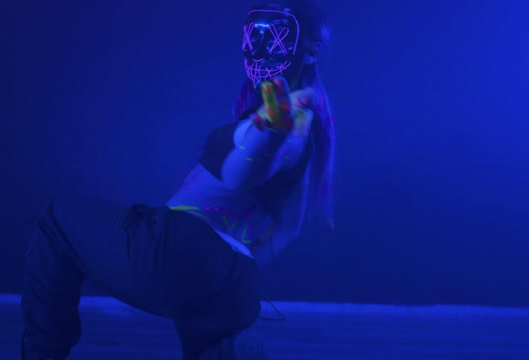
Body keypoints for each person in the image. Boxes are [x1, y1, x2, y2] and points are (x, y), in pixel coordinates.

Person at [20, 0, 335, 359]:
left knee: (54, 217)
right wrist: (233, 269)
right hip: (233, 284)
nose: (262, 48)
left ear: (309, 50)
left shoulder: (281, 123)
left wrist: (271, 132)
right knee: (208, 328)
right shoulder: (302, 132)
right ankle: (223, 341)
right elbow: (287, 229)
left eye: (276, 36)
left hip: (176, 250)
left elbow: (237, 173)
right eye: (255, 35)